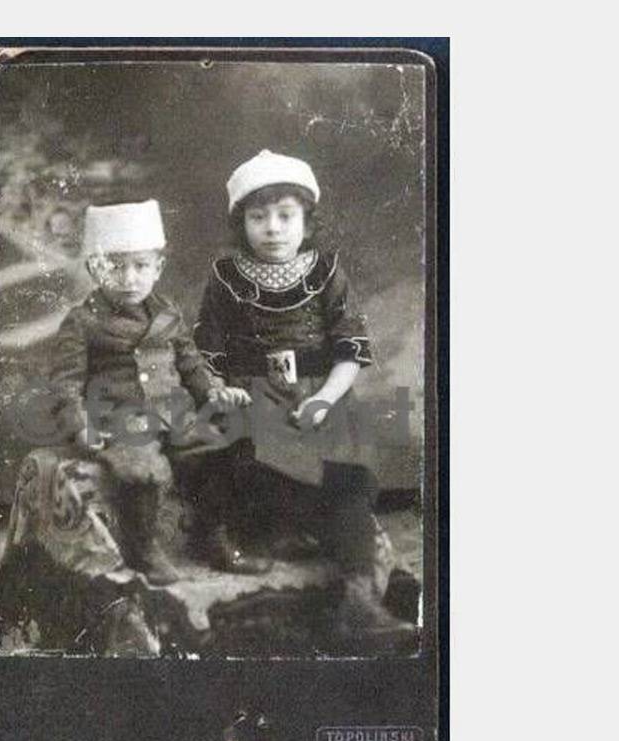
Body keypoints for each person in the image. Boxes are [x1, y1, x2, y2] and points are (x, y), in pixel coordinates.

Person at [192, 150, 404, 640]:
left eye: (285, 215)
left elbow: (351, 349)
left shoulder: (326, 272)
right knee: (260, 463)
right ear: (241, 223)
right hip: (252, 399)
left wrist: (326, 398)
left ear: (307, 221)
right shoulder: (225, 277)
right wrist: (221, 391)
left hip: (318, 399)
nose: (272, 228)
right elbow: (206, 352)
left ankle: (358, 598)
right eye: (258, 216)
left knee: (348, 480)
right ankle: (282, 531)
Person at [47, 199, 243, 587]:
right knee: (142, 469)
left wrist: (213, 393)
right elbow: (65, 382)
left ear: (158, 267)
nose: (129, 278)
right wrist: (80, 426)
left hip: (175, 413)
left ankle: (210, 537)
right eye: (115, 266)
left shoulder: (167, 312)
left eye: (140, 266)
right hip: (120, 419)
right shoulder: (83, 321)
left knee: (215, 451)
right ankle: (143, 549)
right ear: (94, 268)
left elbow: (190, 363)